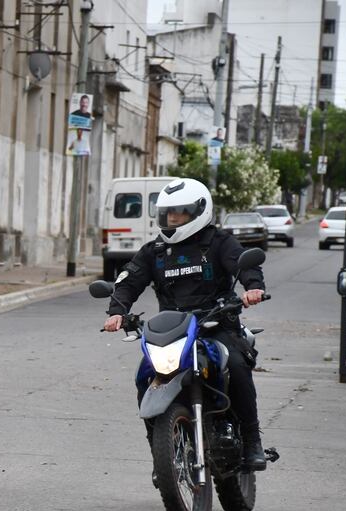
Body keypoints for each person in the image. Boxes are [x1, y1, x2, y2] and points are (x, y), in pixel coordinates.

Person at [102, 177, 269, 473]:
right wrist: (117, 311)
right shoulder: (154, 251)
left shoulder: (218, 241)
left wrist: (253, 287)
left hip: (216, 323)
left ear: (198, 211)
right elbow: (129, 280)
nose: (171, 219)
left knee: (239, 367)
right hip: (174, 329)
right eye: (166, 214)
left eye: (178, 213)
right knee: (145, 376)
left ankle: (253, 441)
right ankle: (160, 452)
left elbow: (244, 264)